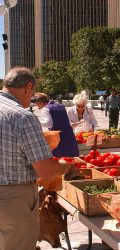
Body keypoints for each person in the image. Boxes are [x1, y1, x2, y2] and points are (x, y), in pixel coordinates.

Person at [0, 67, 72, 250]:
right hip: (14, 199)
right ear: (28, 86)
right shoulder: (22, 117)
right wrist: (66, 166)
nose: (30, 98)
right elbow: (46, 171)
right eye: (31, 93)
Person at [34, 93, 79, 157]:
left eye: (37, 103)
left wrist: (36, 121)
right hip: (69, 135)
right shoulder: (61, 105)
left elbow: (49, 124)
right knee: (71, 158)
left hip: (58, 138)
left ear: (41, 102)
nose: (36, 105)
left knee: (60, 160)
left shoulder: (46, 109)